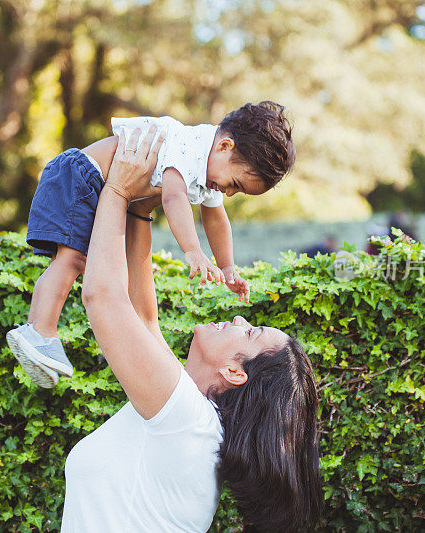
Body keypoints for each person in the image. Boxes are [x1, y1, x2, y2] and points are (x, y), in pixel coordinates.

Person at [60, 126, 322, 532]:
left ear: (236, 373)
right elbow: (143, 317)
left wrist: (116, 190)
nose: (238, 319)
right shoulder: (196, 421)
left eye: (249, 333)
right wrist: (139, 211)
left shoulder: (189, 422)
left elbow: (103, 298)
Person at [6, 102, 295, 388]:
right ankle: (40, 332)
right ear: (224, 146)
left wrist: (228, 266)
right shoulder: (189, 147)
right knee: (72, 261)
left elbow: (217, 218)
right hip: (82, 175)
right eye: (234, 183)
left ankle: (37, 331)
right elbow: (173, 198)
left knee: (71, 262)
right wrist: (192, 250)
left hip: (90, 182)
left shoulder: (209, 167)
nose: (229, 193)